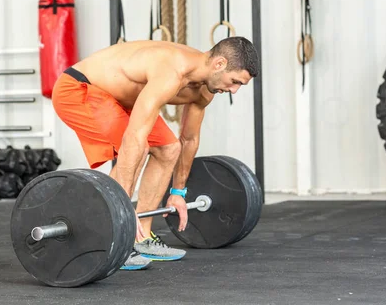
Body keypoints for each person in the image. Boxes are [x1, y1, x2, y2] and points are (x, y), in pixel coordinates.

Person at [51, 36, 259, 270]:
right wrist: (124, 212)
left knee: (169, 149)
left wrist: (178, 192)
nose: (234, 90)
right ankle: (111, 237)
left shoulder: (205, 91)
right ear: (219, 64)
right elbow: (135, 138)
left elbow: (189, 139)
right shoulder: (171, 71)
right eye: (234, 81)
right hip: (79, 89)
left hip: (122, 101)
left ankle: (142, 237)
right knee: (137, 148)